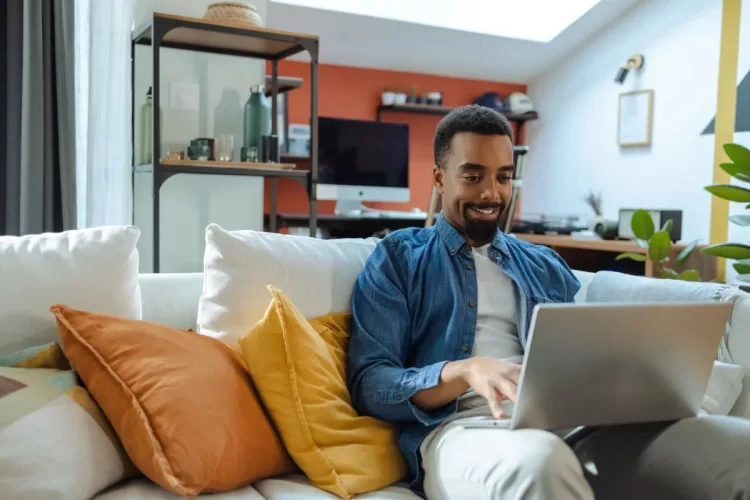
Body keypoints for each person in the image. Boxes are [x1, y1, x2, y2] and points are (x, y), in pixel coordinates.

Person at [347, 104, 750, 500]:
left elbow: (575, 356)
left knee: (733, 444)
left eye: (503, 177)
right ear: (439, 177)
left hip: (568, 425)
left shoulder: (543, 262)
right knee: (541, 463)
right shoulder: (398, 258)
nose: (491, 193)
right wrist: (465, 370)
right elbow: (371, 384)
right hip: (461, 430)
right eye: (472, 176)